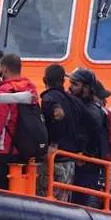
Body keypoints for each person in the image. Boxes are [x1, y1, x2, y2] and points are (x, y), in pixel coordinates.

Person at [0, 53, 39, 190]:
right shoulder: (31, 89)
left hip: (3, 154)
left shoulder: (4, 92)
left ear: (3, 69)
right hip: (24, 152)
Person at [65, 68, 111, 208]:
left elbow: (94, 136)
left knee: (82, 202)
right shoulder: (80, 106)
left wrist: (85, 154)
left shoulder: (92, 111)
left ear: (86, 88)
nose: (70, 87)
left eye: (75, 84)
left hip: (87, 167)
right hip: (76, 164)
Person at [39, 64, 81, 200]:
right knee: (63, 204)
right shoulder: (73, 101)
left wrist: (53, 143)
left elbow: (58, 114)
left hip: (55, 162)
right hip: (69, 161)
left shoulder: (49, 98)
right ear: (63, 81)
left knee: (45, 199)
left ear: (44, 80)